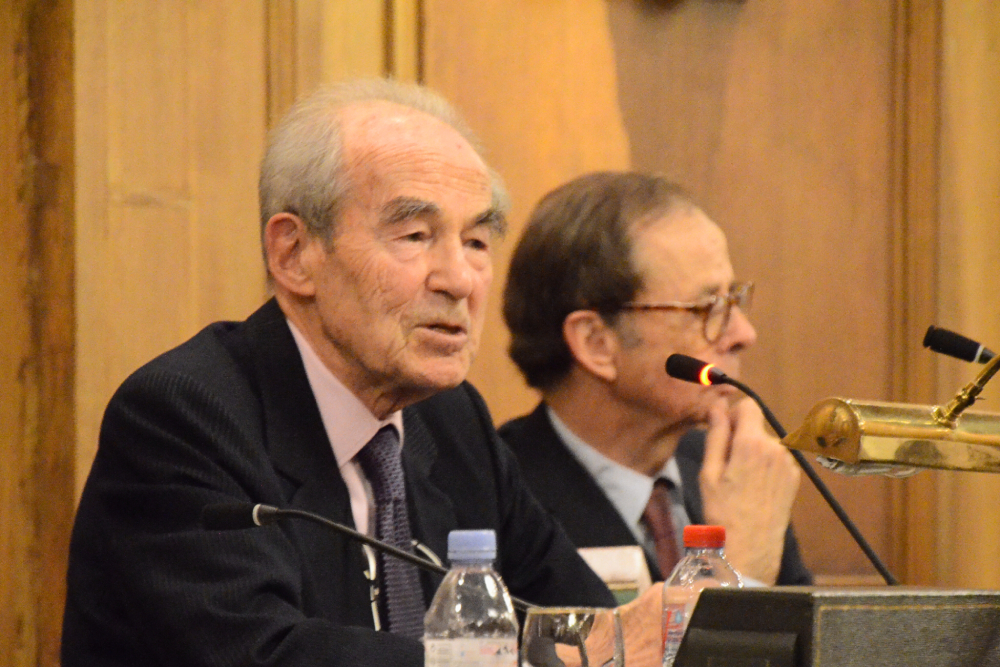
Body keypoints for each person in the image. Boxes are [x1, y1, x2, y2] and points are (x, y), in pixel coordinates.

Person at [62, 82, 664, 667]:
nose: (458, 279)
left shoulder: (453, 423)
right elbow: (263, 653)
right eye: (415, 235)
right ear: (294, 255)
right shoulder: (184, 417)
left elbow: (577, 616)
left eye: (477, 241)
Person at [499, 172, 812, 586]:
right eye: (707, 308)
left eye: (734, 301)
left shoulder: (735, 473)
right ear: (597, 343)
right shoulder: (501, 494)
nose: (743, 334)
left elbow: (809, 651)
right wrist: (743, 570)